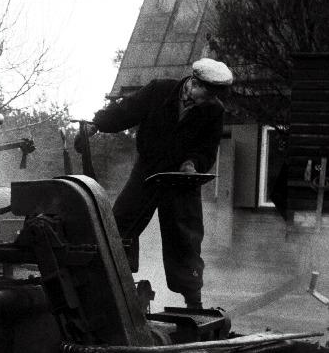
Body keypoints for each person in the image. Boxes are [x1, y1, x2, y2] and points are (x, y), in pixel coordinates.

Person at [76, 58, 233, 309]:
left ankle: (193, 302)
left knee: (186, 238)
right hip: (147, 171)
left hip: (182, 181)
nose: (209, 100)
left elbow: (207, 149)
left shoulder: (214, 110)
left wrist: (192, 163)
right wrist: (96, 124)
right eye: (207, 93)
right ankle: (118, 286)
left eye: (215, 96)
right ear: (193, 83)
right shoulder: (159, 90)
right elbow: (125, 111)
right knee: (119, 225)